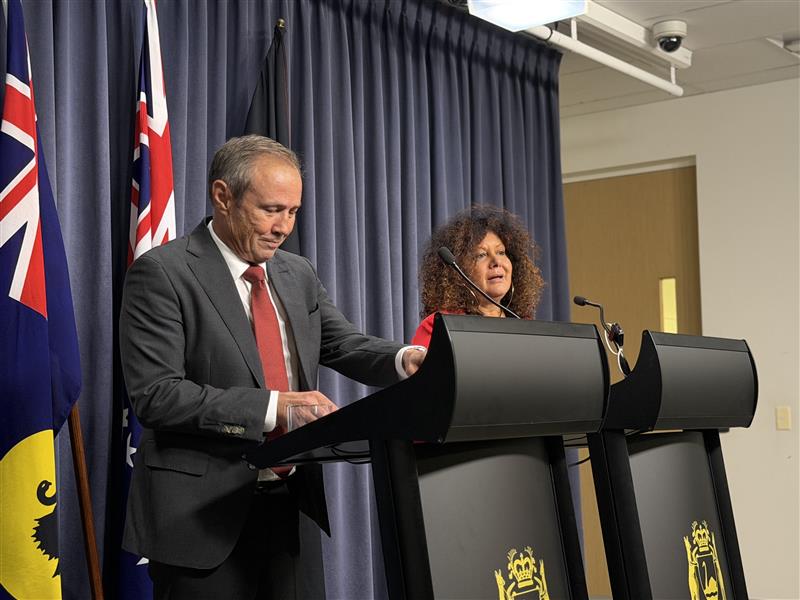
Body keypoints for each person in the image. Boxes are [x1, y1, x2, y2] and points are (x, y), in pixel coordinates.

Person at [119, 135, 426, 600]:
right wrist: (275, 409)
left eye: (293, 212)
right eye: (271, 209)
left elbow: (342, 343)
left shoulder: (296, 273)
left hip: (290, 508)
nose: (284, 227)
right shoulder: (163, 273)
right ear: (223, 197)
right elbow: (157, 395)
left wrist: (405, 359)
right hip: (200, 520)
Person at [412, 205, 544, 346]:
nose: (496, 261)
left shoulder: (525, 325)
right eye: (481, 255)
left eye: (501, 252)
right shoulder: (440, 326)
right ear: (456, 271)